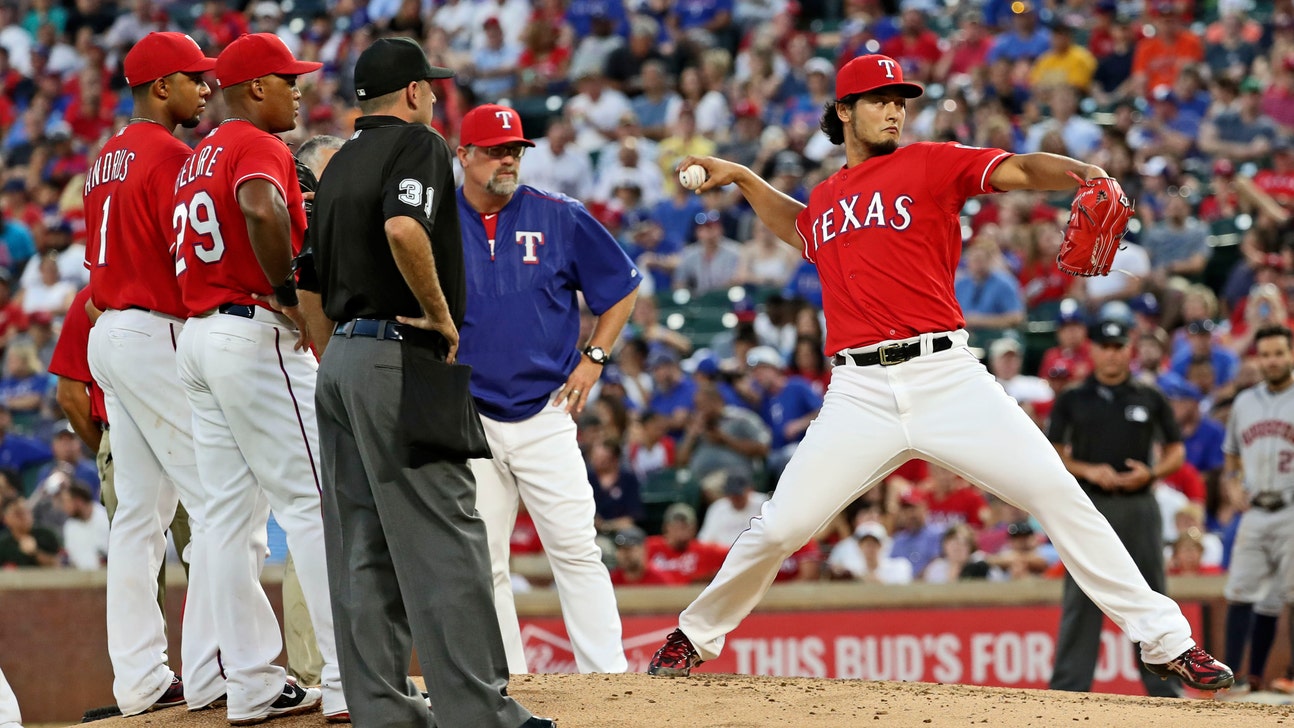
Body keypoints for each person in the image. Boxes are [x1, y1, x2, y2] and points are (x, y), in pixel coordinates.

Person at [646, 53, 1233, 692]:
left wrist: (1081, 172)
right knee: (781, 526)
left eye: (901, 97)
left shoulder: (930, 161)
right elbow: (802, 227)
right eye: (879, 98)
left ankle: (1168, 642)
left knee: (1057, 494)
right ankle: (695, 635)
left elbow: (1016, 168)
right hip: (859, 391)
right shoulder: (828, 197)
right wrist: (743, 178)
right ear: (843, 111)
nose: (895, 107)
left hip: (947, 375)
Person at [310, 38, 552, 728]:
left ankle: (383, 711)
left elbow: (304, 280)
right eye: (432, 87)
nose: (438, 98)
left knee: (362, 545)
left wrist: (339, 358)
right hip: (399, 356)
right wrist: (442, 320)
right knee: (449, 535)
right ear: (414, 92)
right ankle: (480, 713)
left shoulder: (335, 162)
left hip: (341, 363)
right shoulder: (417, 144)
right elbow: (403, 229)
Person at [173, 33, 338, 724]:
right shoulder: (254, 144)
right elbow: (265, 208)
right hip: (251, 330)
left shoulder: (195, 160)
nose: (298, 91)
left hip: (200, 337)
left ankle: (248, 684)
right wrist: (285, 288)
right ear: (255, 89)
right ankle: (350, 680)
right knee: (316, 505)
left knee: (225, 520)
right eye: (287, 79)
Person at [454, 101, 637, 676]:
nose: (507, 160)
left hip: (546, 408)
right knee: (483, 561)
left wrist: (595, 359)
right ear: (464, 156)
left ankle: (607, 679)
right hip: (466, 413)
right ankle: (503, 681)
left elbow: (621, 288)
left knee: (577, 549)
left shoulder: (559, 215)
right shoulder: (434, 222)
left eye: (515, 150)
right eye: (494, 151)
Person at [81, 32, 215, 716]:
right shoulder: (169, 154)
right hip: (156, 329)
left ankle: (139, 679)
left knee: (138, 516)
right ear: (160, 87)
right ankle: (216, 668)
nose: (207, 88)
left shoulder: (105, 156)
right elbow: (189, 253)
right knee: (218, 501)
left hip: (112, 330)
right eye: (195, 78)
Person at [1047, 319, 1188, 696]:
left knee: (1152, 593)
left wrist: (1151, 472)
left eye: (1119, 345)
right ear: (1091, 350)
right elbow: (1054, 454)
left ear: (1131, 349)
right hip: (1089, 505)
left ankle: (1165, 690)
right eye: (1104, 346)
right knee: (1082, 595)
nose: (1112, 353)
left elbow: (1176, 450)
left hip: (1140, 503)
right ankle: (1068, 690)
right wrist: (1088, 468)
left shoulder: (1149, 395)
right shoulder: (1072, 398)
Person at [1221, 324, 1294, 694]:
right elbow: (1232, 455)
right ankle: (1235, 678)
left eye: (1279, 352)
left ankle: (1292, 676)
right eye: (1266, 354)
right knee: (1241, 591)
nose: (1273, 360)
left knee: (1292, 592)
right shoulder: (1245, 402)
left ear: (1291, 354)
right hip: (1256, 508)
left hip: (1292, 507)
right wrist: (1233, 485)